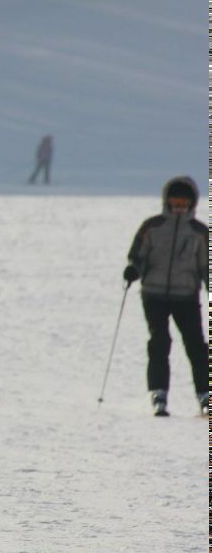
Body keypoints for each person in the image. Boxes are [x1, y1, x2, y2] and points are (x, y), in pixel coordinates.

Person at [122, 176, 208, 416]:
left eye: (184, 202)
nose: (179, 206)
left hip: (186, 296)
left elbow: (206, 266)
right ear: (167, 202)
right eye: (175, 201)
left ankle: (205, 394)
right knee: (160, 342)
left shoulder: (199, 232)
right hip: (154, 294)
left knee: (196, 346)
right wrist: (133, 270)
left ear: (192, 204)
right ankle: (159, 393)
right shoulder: (152, 226)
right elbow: (137, 256)